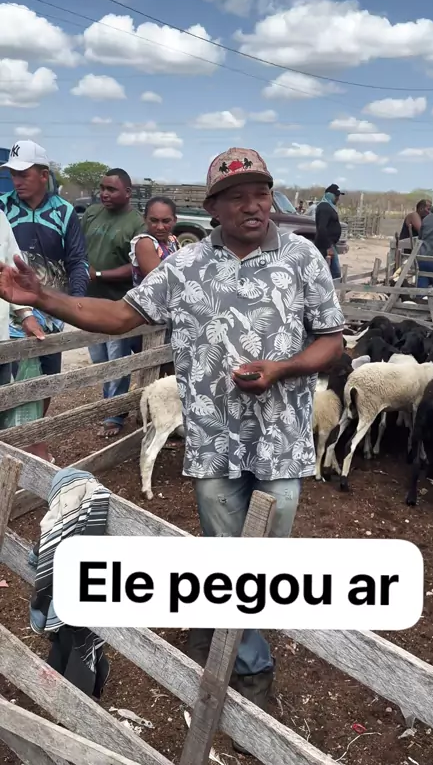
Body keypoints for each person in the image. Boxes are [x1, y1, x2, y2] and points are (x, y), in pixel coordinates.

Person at [0, 146, 345, 750]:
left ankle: (222, 638)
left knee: (264, 558)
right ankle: (247, 666)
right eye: (237, 196)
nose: (253, 205)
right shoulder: (185, 266)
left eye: (260, 193)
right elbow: (119, 316)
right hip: (212, 439)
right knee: (226, 551)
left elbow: (333, 340)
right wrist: (44, 299)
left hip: (281, 441)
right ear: (214, 207)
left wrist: (284, 368)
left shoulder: (302, 257)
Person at [0, 140, 88, 458]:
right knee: (9, 385)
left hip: (51, 315)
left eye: (23, 174)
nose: (17, 180)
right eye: (13, 174)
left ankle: (34, 439)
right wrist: (22, 312)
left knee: (46, 382)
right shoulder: (3, 208)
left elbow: (77, 260)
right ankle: (11, 448)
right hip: (11, 319)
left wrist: (76, 306)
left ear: (43, 174)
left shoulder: (63, 212)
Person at [81, 168, 145, 437]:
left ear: (127, 193)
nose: (104, 194)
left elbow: (136, 265)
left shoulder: (136, 224)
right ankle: (110, 405)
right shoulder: (92, 214)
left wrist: (97, 274)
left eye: (111, 189)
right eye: (102, 188)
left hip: (118, 303)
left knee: (116, 360)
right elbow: (79, 248)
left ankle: (114, 415)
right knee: (100, 360)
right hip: (89, 300)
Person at [0, 210, 44, 429]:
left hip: (0, 337)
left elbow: (12, 268)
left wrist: (26, 315)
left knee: (2, 399)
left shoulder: (0, 218)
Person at [129, 195, 179, 374]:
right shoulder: (145, 243)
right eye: (154, 220)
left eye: (166, 221)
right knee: (159, 373)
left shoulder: (172, 241)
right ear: (145, 219)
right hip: (150, 320)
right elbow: (161, 285)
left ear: (174, 220)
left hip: (168, 320)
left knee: (172, 372)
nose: (160, 227)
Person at [314, 184, 344, 279]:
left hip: (329, 244)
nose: (338, 198)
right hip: (326, 245)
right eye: (336, 196)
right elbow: (322, 228)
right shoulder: (324, 208)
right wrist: (328, 247)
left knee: (327, 271)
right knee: (335, 273)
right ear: (330, 195)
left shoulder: (328, 207)